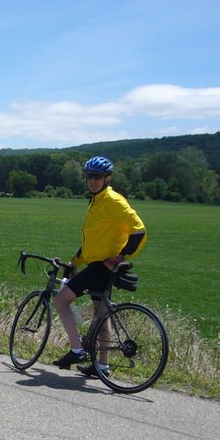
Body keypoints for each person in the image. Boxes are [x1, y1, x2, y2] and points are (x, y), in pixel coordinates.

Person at [52, 156, 146, 375]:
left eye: (97, 177)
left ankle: (77, 350)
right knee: (101, 314)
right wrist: (74, 262)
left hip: (102, 267)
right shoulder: (96, 201)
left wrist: (121, 256)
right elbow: (94, 240)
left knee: (60, 300)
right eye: (89, 176)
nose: (92, 181)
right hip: (98, 265)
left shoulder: (113, 201)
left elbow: (139, 230)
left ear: (107, 178)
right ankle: (102, 366)